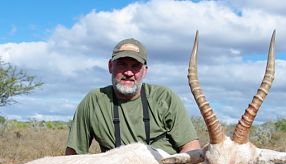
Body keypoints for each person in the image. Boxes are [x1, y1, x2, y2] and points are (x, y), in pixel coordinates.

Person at [65, 38, 201, 155]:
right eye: (122, 64)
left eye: (135, 66)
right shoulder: (94, 100)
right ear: (110, 66)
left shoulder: (164, 98)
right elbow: (74, 155)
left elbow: (191, 148)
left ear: (144, 71)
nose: (129, 72)